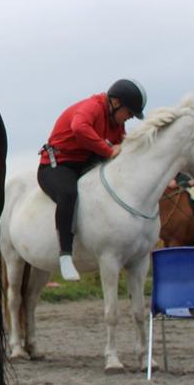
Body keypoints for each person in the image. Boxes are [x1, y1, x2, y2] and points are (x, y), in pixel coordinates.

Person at [38, 79, 147, 281]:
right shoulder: (92, 107)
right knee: (68, 194)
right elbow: (79, 128)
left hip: (83, 164)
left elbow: (120, 149)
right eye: (129, 112)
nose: (130, 118)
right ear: (115, 103)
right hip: (56, 165)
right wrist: (108, 150)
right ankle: (65, 255)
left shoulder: (117, 125)